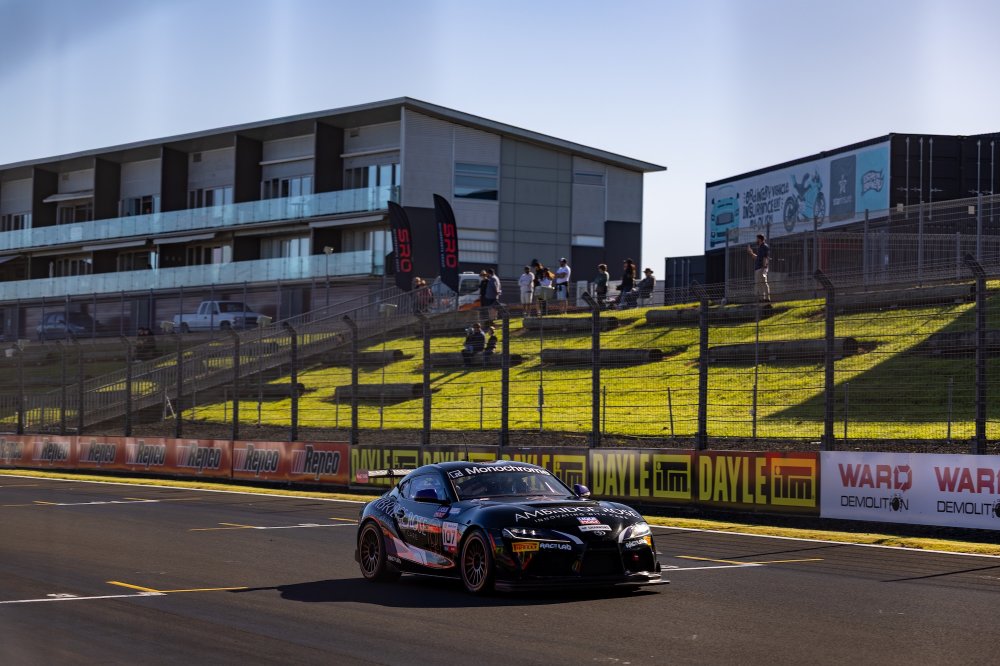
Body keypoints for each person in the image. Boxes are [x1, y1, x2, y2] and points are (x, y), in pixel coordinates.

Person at [747, 234, 771, 303]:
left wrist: (764, 267)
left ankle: (767, 298)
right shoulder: (760, 247)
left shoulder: (764, 246)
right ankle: (762, 298)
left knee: (764, 283)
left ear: (760, 239)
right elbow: (758, 258)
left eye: (757, 239)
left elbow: (765, 257)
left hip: (761, 268)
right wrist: (751, 253)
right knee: (759, 283)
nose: (756, 240)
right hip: (758, 268)